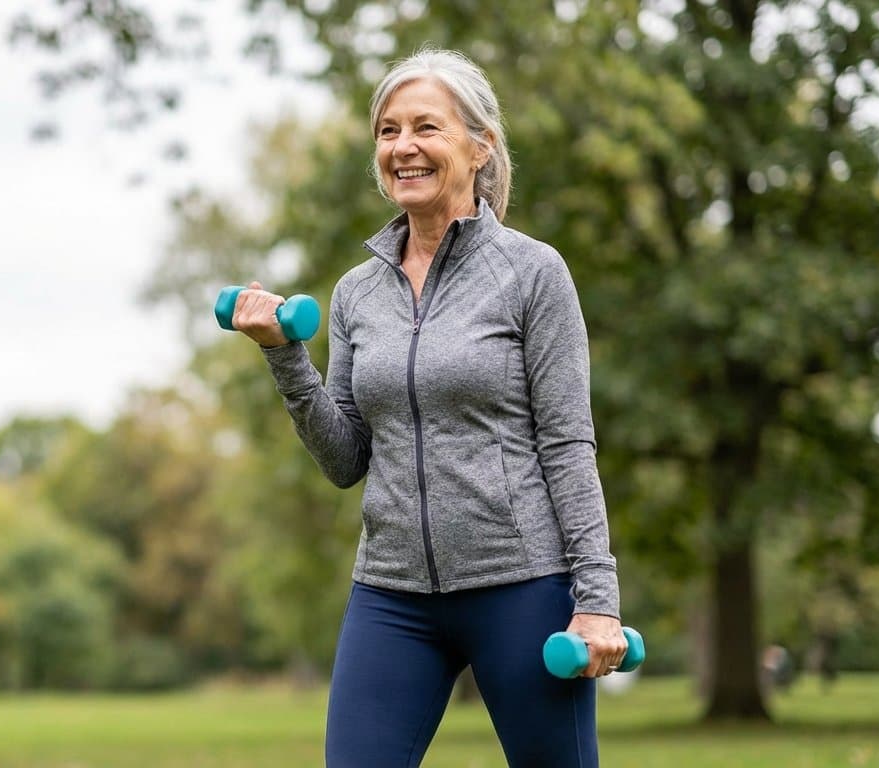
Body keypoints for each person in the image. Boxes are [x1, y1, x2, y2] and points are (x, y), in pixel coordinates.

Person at [230, 47, 626, 767]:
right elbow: (346, 458)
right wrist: (284, 355)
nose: (403, 147)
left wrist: (596, 598)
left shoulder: (532, 273)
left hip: (521, 586)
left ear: (480, 148)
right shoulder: (357, 293)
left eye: (425, 128)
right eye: (387, 130)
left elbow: (567, 445)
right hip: (392, 594)